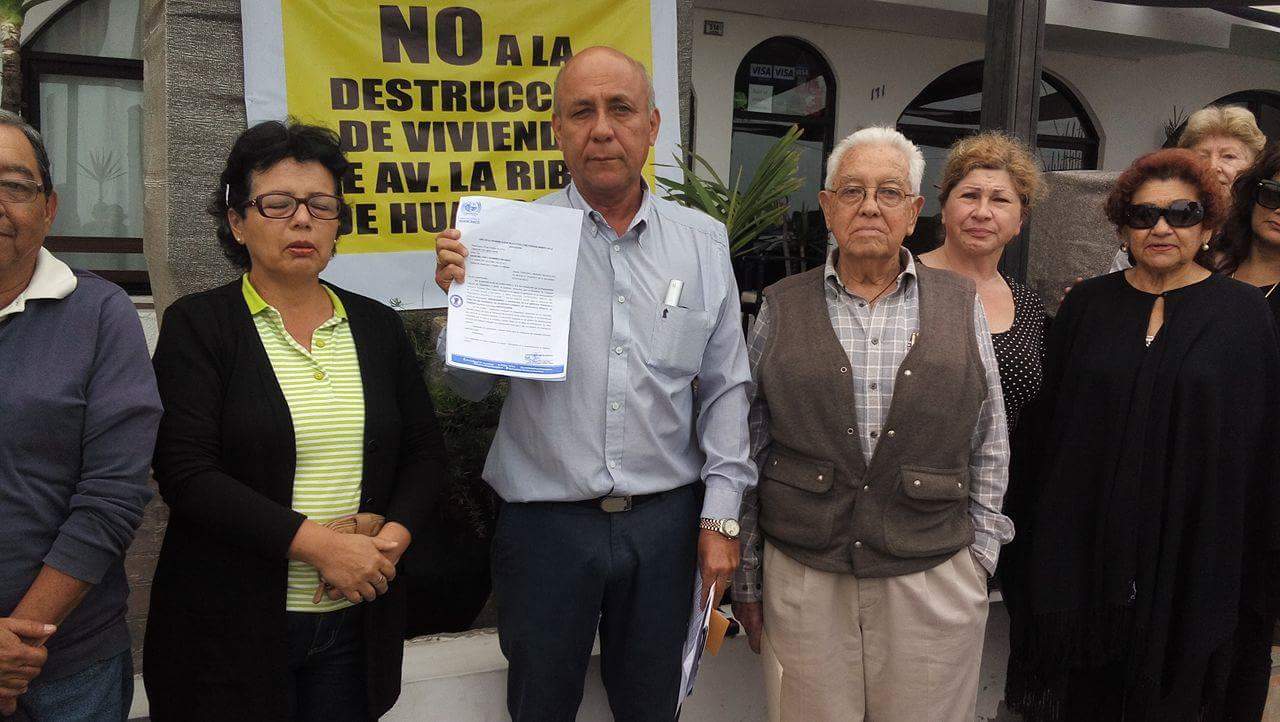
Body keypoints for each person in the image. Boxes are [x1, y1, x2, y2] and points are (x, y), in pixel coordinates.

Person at [433, 46, 753, 721]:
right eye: (582, 111)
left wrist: (721, 516)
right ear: (557, 130)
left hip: (665, 529)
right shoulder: (513, 238)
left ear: (652, 125)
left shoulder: (701, 242)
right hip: (546, 530)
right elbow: (465, 389)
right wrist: (462, 309)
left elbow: (726, 388)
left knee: (651, 708)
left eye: (620, 109)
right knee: (541, 707)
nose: (602, 128)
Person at [144, 120, 449, 721]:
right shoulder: (199, 327)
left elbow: (425, 454)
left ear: (339, 223)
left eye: (321, 205)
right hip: (228, 631)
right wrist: (322, 547)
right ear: (237, 222)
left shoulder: (376, 328)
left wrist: (385, 546)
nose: (302, 220)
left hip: (354, 626)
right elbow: (184, 472)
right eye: (278, 204)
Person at [730, 126, 1012, 722]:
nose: (869, 206)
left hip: (932, 573)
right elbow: (746, 446)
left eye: (889, 192)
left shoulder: (961, 304)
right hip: (805, 573)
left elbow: (990, 439)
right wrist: (750, 577)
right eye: (851, 191)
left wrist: (980, 555)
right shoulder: (780, 305)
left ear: (914, 213)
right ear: (828, 207)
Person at [1011, 149, 1280, 721]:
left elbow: (1257, 450)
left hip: (1192, 557)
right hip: (1087, 564)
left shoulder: (1242, 315)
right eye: (1143, 215)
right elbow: (1050, 432)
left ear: (1208, 224)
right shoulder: (1087, 305)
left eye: (1181, 214)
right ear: (1122, 225)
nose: (1161, 228)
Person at [0, 110, 161, 720]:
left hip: (71, 668)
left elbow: (114, 495)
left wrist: (19, 642)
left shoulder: (100, 313)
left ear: (49, 208)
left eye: (15, 185)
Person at [1210, 141, 1280, 720]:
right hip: (1193, 472)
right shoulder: (1207, 272)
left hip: (1266, 491)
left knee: (1249, 628)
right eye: (1273, 192)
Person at [916, 131, 1048, 431]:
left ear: (1020, 221)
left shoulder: (1028, 305)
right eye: (969, 196)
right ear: (944, 210)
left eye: (1000, 199)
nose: (982, 212)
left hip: (1001, 474)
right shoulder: (903, 281)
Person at [1108, 105, 1266, 272]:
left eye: (1228, 156)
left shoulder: (1262, 230)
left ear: (1254, 167)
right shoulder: (1153, 219)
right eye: (1201, 156)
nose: (1212, 166)